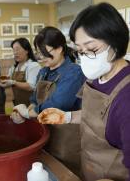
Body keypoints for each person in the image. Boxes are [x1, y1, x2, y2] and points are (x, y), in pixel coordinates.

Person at [42, 3, 130, 181]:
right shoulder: (96, 76)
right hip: (90, 168)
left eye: (92, 49)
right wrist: (68, 117)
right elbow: (98, 116)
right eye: (80, 51)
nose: (85, 57)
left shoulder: (128, 98)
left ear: (115, 41)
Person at [11, 26, 85, 176]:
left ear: (59, 49)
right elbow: (33, 99)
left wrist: (29, 113)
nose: (41, 57)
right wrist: (24, 112)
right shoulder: (43, 71)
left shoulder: (74, 72)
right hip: (43, 134)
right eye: (39, 53)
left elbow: (58, 104)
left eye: (45, 53)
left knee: (64, 174)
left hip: (64, 139)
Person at [0, 37, 41, 106]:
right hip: (17, 104)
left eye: (17, 49)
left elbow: (31, 86)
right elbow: (8, 80)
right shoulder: (14, 67)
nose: (15, 53)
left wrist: (13, 82)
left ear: (27, 50)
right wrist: (4, 83)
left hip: (30, 106)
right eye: (13, 50)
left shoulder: (33, 65)